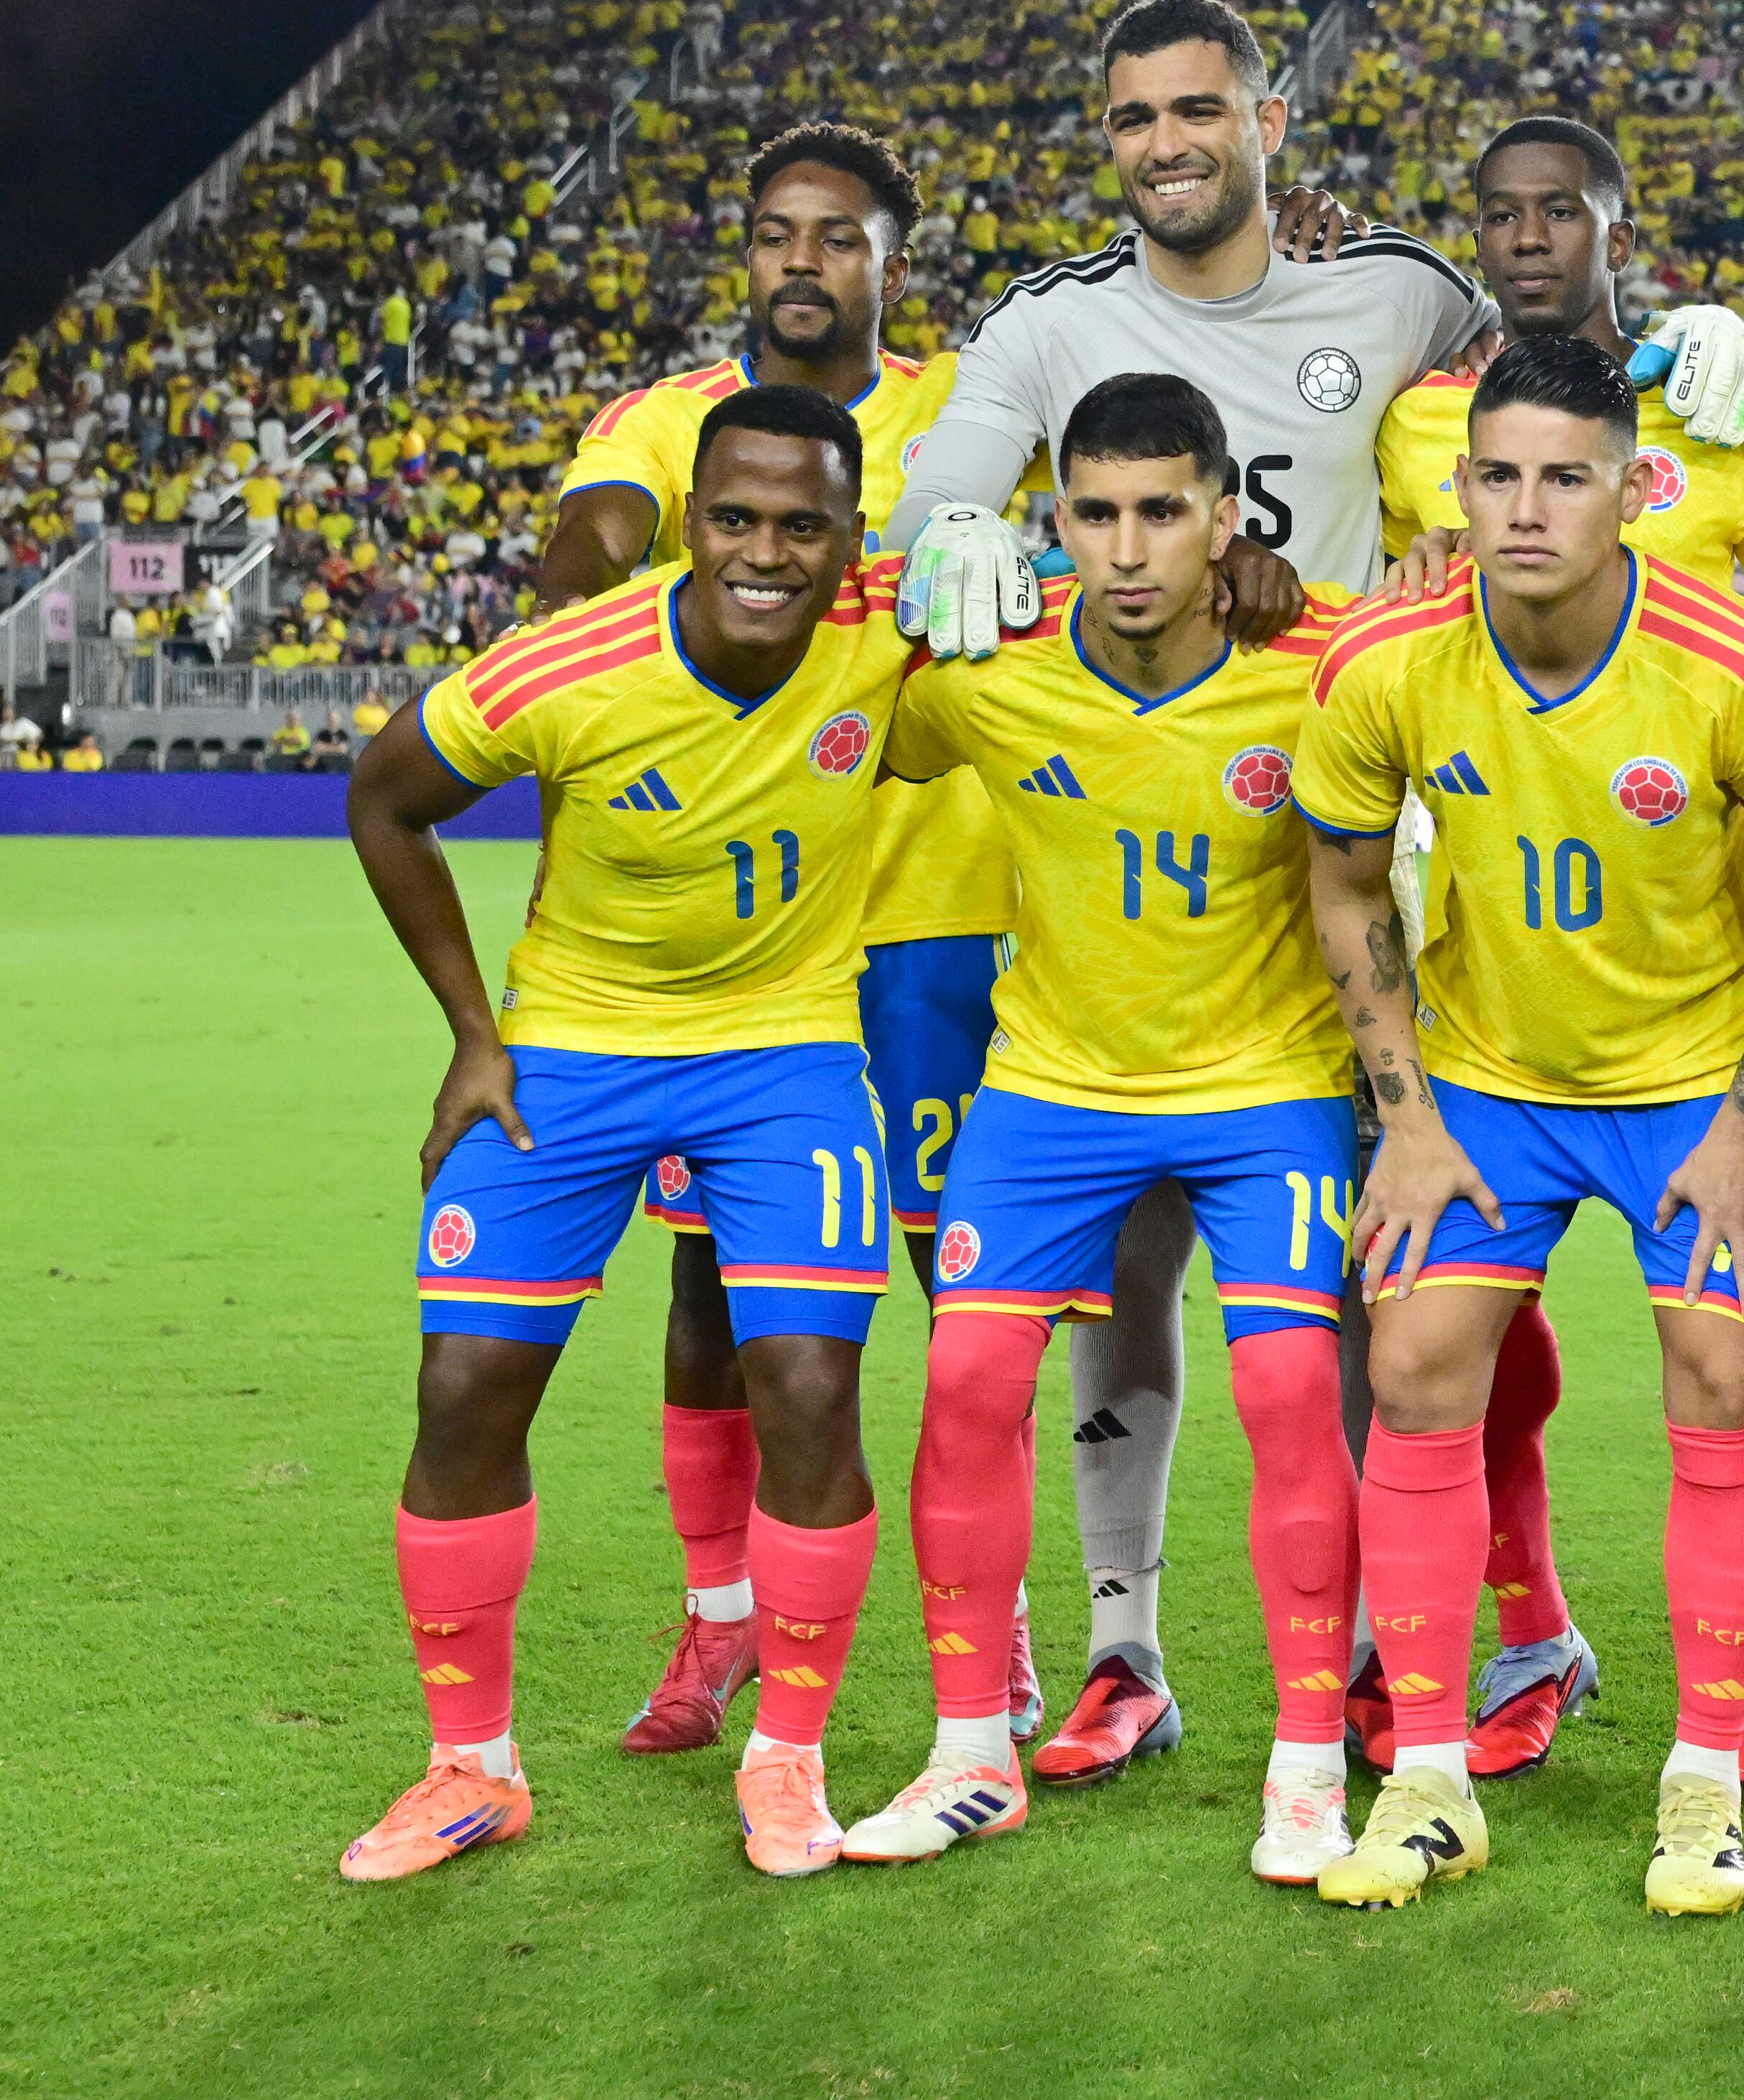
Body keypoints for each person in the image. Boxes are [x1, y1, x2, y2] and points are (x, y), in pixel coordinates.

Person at [877, 0, 1508, 1785]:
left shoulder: (1397, 289)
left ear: (1269, 117)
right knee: (1127, 1277)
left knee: (1430, 1292)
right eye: (1134, 114)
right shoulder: (1048, 324)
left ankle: (1422, 1650)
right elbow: (932, 523)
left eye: (1199, 107)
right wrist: (965, 534)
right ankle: (1125, 1646)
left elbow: (1539, 399)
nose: (1168, 141)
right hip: (1133, 870)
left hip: (1372, 857)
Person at [1294, 333, 1744, 1915]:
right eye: (1497, 475)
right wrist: (1401, 1118)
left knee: (1727, 1365)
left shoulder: (1730, 660)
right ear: (1457, 484)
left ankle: (1700, 1783)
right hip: (1484, 1078)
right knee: (1409, 1368)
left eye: (1564, 476)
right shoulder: (1386, 659)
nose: (1526, 508)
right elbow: (1342, 889)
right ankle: (1423, 1778)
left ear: (1628, 488)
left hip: (1693, 1078)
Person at [336, 385, 910, 1883]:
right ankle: (472, 1765)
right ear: (689, 518)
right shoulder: (575, 659)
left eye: (804, 524)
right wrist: (474, 1029)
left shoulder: (902, 624)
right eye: (734, 516)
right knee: (463, 1382)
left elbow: (1127, 595)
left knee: (804, 1381)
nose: (767, 551)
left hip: (783, 1052)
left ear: (853, 532)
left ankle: (787, 1759)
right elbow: (386, 799)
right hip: (570, 1051)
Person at [535, 119, 1037, 1762]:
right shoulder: (676, 422)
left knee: (964, 1286)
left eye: (837, 235)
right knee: (708, 1290)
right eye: (774, 233)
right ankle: (721, 1621)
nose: (800, 261)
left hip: (939, 906)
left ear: (894, 256)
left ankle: (1000, 1629)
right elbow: (592, 537)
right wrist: (617, 567)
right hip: (739, 953)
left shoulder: (975, 407)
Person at [841, 373, 1367, 1883]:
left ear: (1224, 518)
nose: (1127, 549)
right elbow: (813, 689)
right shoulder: (982, 667)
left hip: (1265, 1084)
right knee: (966, 1373)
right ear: (1052, 519)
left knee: (1286, 1386)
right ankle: (967, 1752)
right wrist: (911, 569)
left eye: (1161, 511)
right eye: (1094, 514)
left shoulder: (1318, 660)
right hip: (1050, 1088)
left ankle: (1310, 1760)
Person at [1367, 113, 1744, 1780]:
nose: (1528, 234)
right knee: (1433, 1345)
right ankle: (1515, 1636)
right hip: (1503, 961)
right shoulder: (1426, 428)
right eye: (1498, 210)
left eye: (1563, 206)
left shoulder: (1733, 401)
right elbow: (1377, 630)